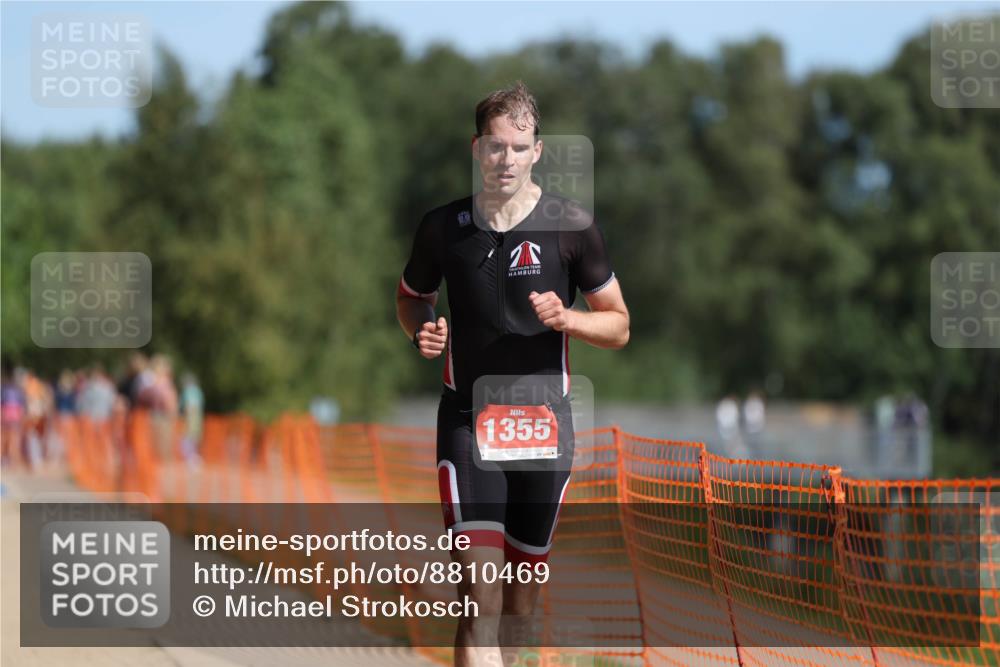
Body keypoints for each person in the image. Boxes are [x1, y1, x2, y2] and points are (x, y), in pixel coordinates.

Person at [395, 82, 629, 667]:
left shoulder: (571, 226)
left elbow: (620, 325)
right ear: (477, 148)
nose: (507, 159)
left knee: (519, 604)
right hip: (468, 422)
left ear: (537, 152)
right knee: (481, 599)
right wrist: (422, 330)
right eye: (496, 146)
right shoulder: (443, 227)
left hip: (544, 431)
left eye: (519, 148)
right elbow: (411, 298)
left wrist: (570, 319)